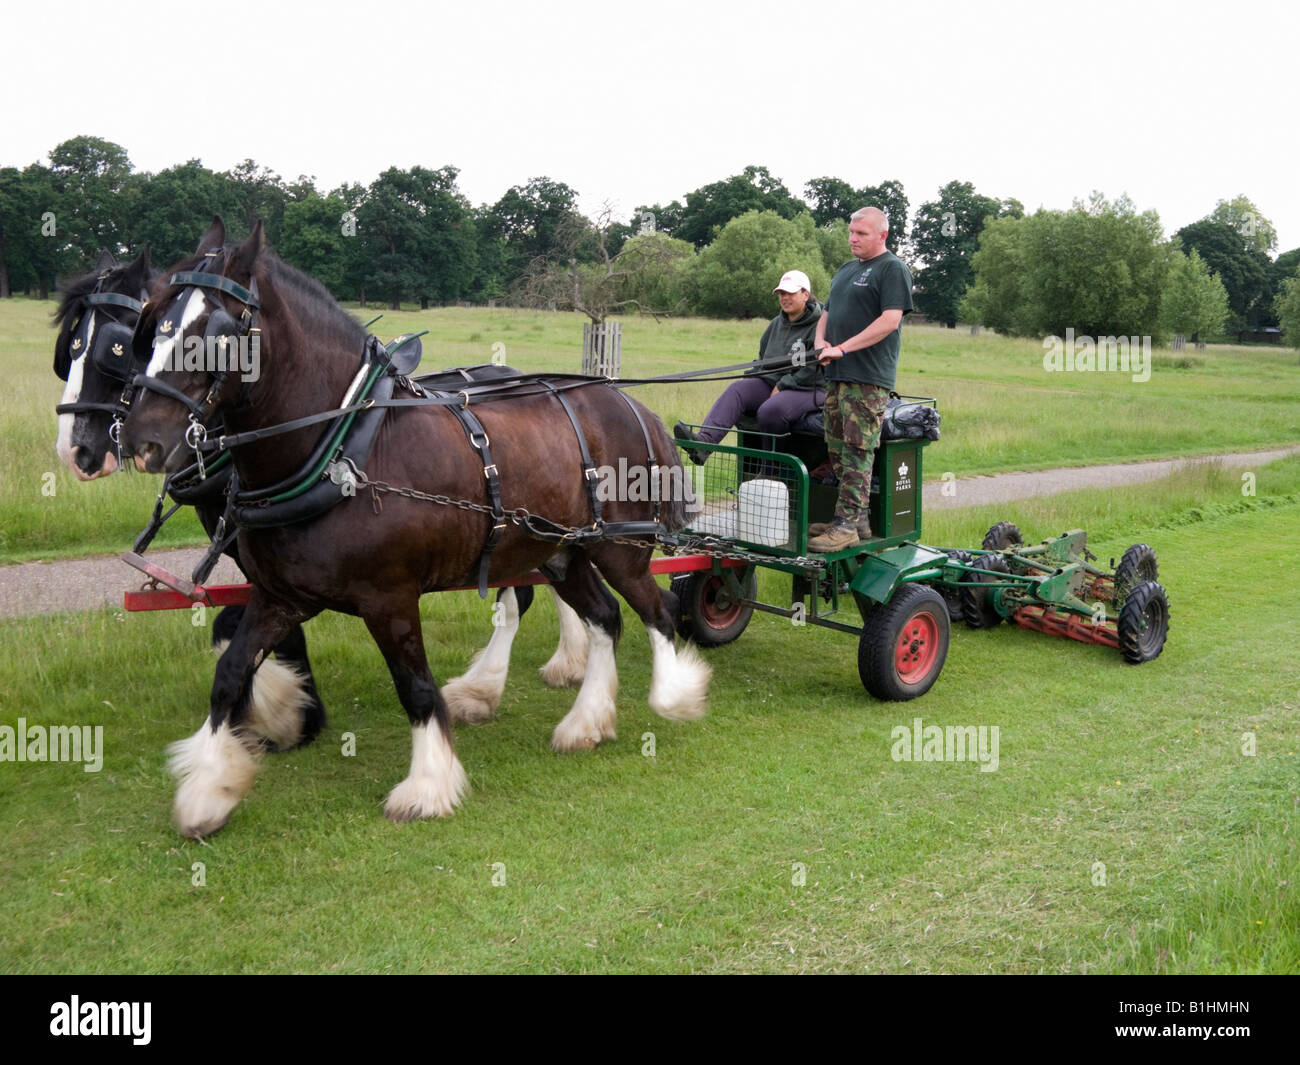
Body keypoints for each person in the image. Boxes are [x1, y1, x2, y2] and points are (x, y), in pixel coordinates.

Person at [806, 207, 914, 553]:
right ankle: (858, 518)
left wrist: (843, 348)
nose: (853, 238)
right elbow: (827, 313)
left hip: (867, 376)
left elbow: (889, 321)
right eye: (851, 232)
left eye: (861, 233)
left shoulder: (892, 269)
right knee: (837, 448)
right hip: (836, 374)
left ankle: (845, 525)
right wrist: (821, 342)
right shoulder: (846, 270)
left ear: (882, 235)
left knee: (858, 451)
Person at [674, 270, 824, 464]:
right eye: (781, 294)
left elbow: (814, 366)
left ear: (805, 294)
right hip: (773, 383)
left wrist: (784, 385)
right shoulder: (775, 325)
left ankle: (770, 473)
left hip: (808, 388)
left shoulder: (820, 325)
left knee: (770, 410)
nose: (785, 298)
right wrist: (752, 378)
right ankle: (704, 444)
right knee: (738, 389)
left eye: (791, 293)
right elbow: (762, 360)